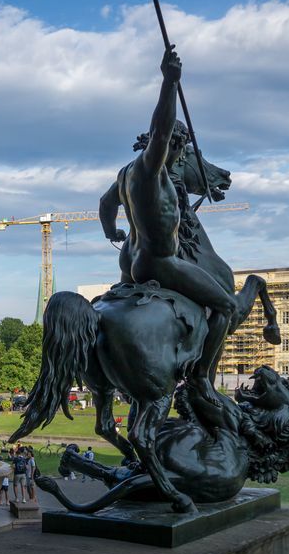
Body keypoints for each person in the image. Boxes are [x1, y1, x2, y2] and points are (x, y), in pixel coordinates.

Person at [99, 47, 237, 406]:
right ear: (175, 145)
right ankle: (204, 380)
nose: (180, 152)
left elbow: (105, 204)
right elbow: (159, 131)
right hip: (158, 261)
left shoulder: (124, 174)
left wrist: (110, 231)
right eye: (181, 145)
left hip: (129, 261)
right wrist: (169, 83)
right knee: (226, 306)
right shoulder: (151, 169)